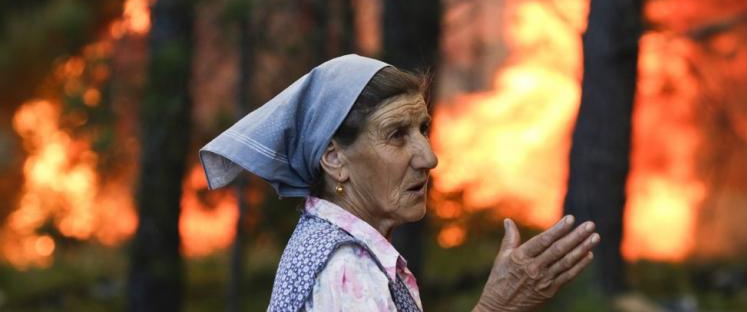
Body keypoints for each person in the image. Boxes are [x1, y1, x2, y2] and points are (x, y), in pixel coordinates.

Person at [200, 54, 600, 312]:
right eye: (396, 135)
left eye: (423, 128)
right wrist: (497, 307)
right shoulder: (344, 270)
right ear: (334, 159)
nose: (428, 157)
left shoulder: (338, 250)